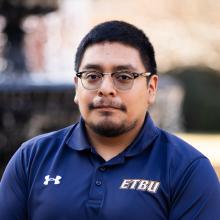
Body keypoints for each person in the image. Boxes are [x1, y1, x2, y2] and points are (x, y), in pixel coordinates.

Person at [0, 20, 219, 220]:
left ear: (151, 89)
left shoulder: (188, 169)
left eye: (124, 77)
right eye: (92, 76)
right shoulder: (32, 158)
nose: (105, 89)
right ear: (77, 87)